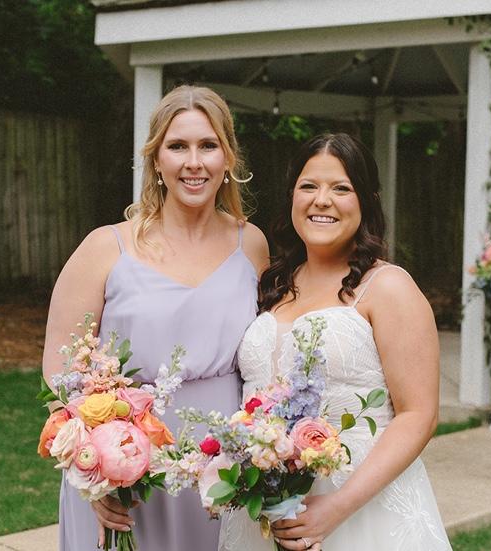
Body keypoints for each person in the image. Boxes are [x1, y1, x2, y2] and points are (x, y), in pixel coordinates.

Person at [42, 85, 269, 551]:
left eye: (208, 145)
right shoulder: (105, 248)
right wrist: (94, 471)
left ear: (228, 157)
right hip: (125, 474)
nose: (194, 162)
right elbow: (60, 372)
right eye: (178, 146)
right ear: (156, 159)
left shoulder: (252, 245)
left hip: (222, 470)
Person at [218, 133, 452, 551]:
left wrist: (335, 508)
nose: (321, 200)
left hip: (361, 512)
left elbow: (419, 415)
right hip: (265, 512)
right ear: (292, 197)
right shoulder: (272, 283)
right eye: (309, 186)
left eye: (341, 188)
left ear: (367, 201)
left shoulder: (388, 287)